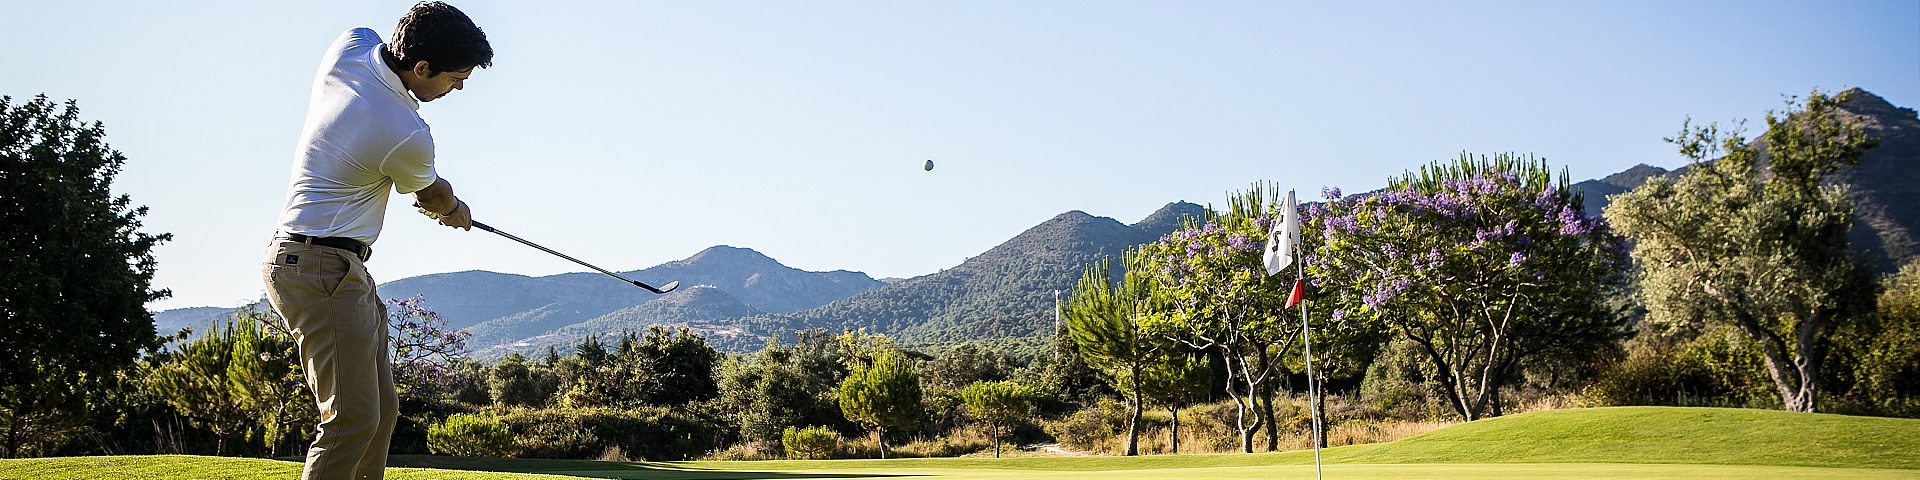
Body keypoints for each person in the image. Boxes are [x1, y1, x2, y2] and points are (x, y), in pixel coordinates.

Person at [261, 2, 490, 479]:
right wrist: (454, 212)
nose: (461, 86)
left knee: (381, 414)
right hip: (319, 266)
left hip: (331, 265)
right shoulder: (404, 131)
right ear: (421, 67)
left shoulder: (350, 46)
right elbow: (434, 195)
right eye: (456, 76)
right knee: (351, 419)